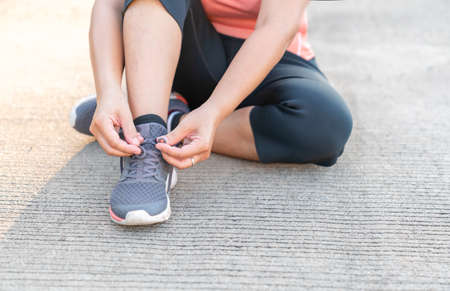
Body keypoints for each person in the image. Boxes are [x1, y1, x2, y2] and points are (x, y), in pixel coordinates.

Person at [70, 0, 353, 226]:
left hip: (268, 53)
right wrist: (109, 92)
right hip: (182, 43)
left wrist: (215, 112)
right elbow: (111, 5)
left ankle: (166, 118)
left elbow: (276, 26)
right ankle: (146, 135)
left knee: (326, 122)